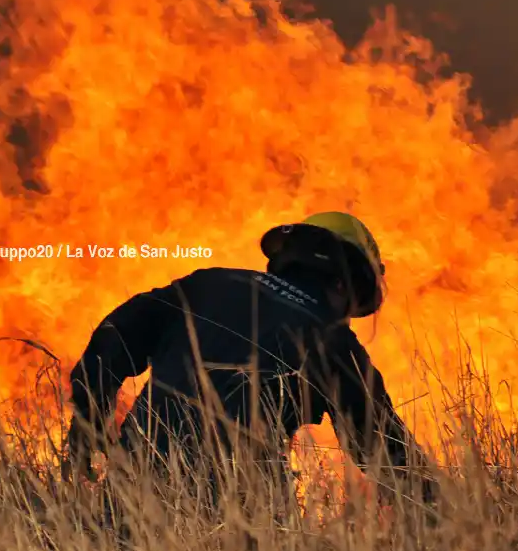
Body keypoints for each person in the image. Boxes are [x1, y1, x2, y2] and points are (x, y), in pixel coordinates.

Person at [65, 211, 435, 506]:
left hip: (134, 486)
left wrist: (88, 415)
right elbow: (387, 451)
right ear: (343, 284)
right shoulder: (332, 341)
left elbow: (116, 336)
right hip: (239, 510)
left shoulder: (208, 286)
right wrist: (450, 511)